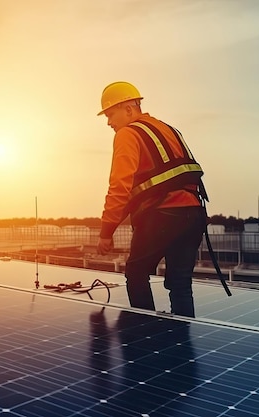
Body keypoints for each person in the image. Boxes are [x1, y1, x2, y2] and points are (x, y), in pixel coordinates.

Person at [96, 81, 207, 317]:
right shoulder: (169, 129)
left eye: (110, 114)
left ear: (129, 108)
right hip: (194, 215)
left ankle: (144, 336)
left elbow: (119, 187)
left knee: (136, 273)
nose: (108, 122)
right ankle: (180, 338)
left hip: (162, 214)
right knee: (180, 282)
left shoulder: (128, 134)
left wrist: (106, 232)